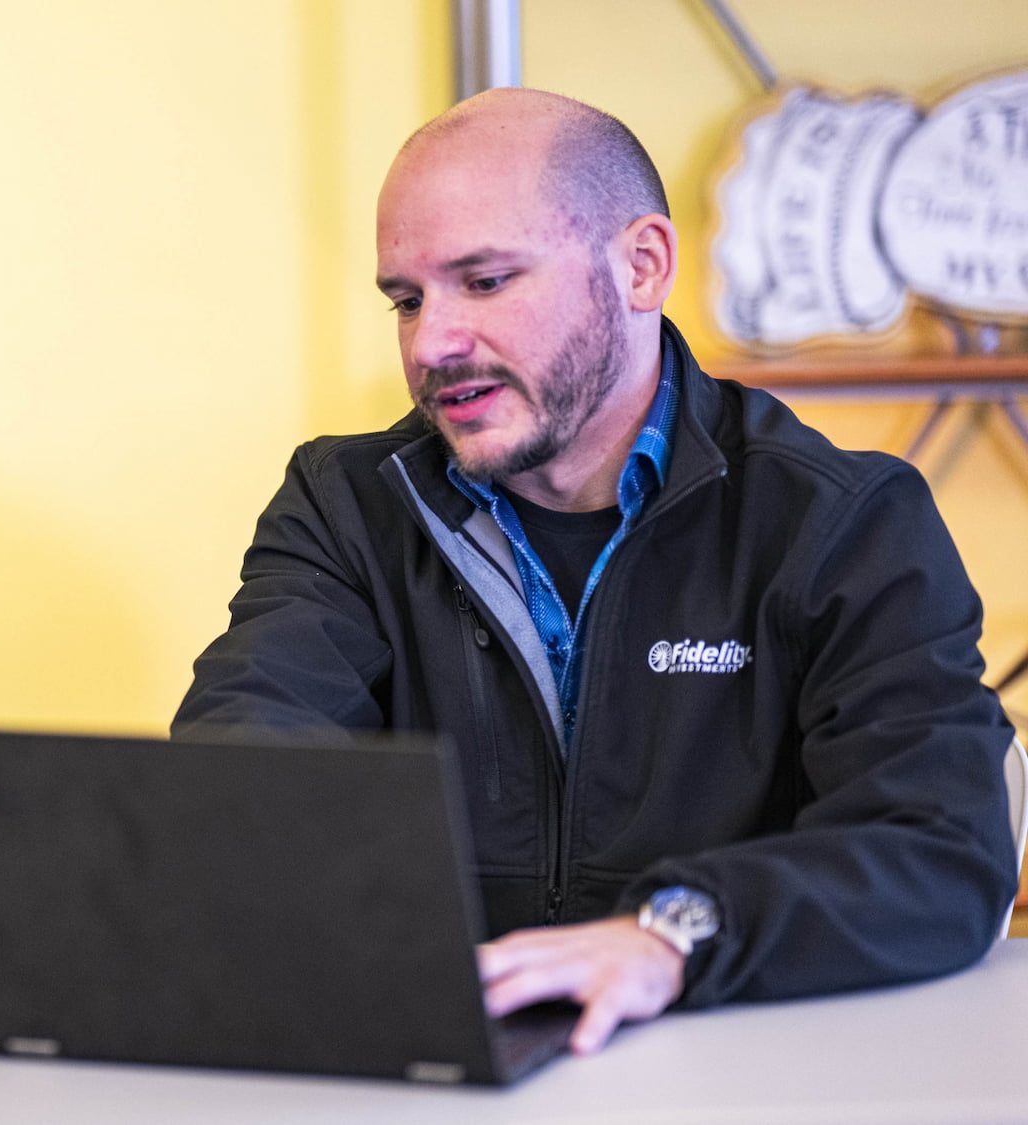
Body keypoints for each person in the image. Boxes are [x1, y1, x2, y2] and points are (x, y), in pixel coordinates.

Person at [174, 88, 1017, 1055]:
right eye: (407, 301)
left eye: (485, 281)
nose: (432, 342)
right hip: (446, 1064)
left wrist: (674, 935)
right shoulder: (346, 505)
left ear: (641, 266)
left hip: (739, 1068)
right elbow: (241, 768)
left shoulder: (840, 520)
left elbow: (939, 848)